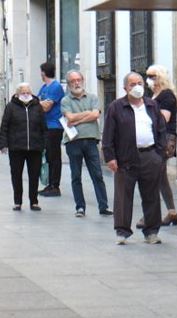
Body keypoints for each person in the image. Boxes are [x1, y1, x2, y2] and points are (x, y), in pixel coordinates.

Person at [102, 72, 166, 245]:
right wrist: (110, 156)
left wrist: (159, 154)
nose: (137, 87)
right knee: (123, 195)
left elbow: (161, 130)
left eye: (139, 83)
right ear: (125, 88)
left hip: (150, 155)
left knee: (151, 195)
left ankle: (151, 231)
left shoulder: (152, 105)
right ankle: (122, 231)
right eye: (132, 84)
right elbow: (108, 133)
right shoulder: (116, 107)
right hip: (126, 157)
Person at [61, 70, 112, 217]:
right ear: (69, 84)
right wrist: (86, 115)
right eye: (73, 81)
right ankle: (80, 207)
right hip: (73, 142)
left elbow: (96, 114)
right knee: (76, 176)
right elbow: (69, 117)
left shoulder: (92, 97)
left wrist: (77, 120)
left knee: (97, 174)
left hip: (90, 140)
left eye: (78, 80)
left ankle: (103, 206)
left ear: (82, 80)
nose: (76, 83)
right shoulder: (66, 101)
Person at [134, 64, 177, 227]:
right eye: (148, 76)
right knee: (160, 178)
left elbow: (164, 118)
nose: (149, 79)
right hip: (156, 138)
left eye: (152, 76)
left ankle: (150, 216)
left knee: (153, 176)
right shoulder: (153, 96)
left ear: (161, 77)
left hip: (164, 138)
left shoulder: (166, 95)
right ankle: (172, 212)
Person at [0, 83, 46, 211]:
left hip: (35, 147)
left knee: (34, 175)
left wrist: (44, 144)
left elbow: (44, 127)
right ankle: (18, 201)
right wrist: (3, 144)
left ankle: (34, 201)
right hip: (16, 147)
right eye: (23, 92)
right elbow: (4, 126)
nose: (25, 95)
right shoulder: (10, 107)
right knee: (16, 175)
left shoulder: (38, 107)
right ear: (17, 94)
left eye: (28, 92)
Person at [37, 62, 65, 197]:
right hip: (45, 126)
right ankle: (49, 184)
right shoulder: (44, 87)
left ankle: (55, 185)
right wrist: (39, 103)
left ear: (43, 72)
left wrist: (39, 104)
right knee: (48, 155)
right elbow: (36, 103)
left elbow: (45, 107)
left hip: (54, 126)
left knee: (54, 156)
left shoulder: (55, 87)